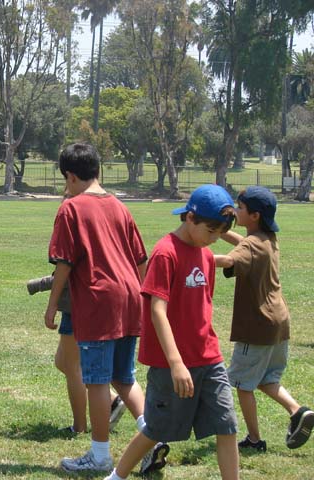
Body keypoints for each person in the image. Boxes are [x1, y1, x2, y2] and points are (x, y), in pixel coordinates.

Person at [103, 184, 240, 480]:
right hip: (171, 363)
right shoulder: (166, 253)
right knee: (156, 428)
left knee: (227, 424)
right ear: (190, 218)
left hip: (209, 357)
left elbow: (202, 306)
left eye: (221, 233)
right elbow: (157, 311)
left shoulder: (205, 254)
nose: (215, 239)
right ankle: (116, 477)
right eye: (211, 231)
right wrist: (176, 362)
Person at [44, 143, 163, 474]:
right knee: (122, 377)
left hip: (99, 300)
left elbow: (64, 263)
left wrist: (52, 305)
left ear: (70, 176)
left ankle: (99, 455)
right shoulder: (120, 206)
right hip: (131, 296)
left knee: (96, 380)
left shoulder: (71, 208)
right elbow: (141, 259)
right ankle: (152, 435)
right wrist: (147, 299)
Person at [214, 186, 314, 452]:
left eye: (240, 208)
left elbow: (228, 261)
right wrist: (219, 231)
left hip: (257, 326)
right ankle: (298, 411)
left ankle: (254, 439)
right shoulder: (267, 238)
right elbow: (244, 244)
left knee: (242, 385)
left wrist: (194, 256)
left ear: (254, 215)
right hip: (278, 322)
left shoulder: (251, 245)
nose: (236, 211)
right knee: (266, 379)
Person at [27, 274, 126, 434]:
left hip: (76, 305)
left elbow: (67, 272)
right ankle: (112, 400)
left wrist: (38, 285)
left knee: (73, 368)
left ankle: (79, 427)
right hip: (89, 302)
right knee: (61, 361)